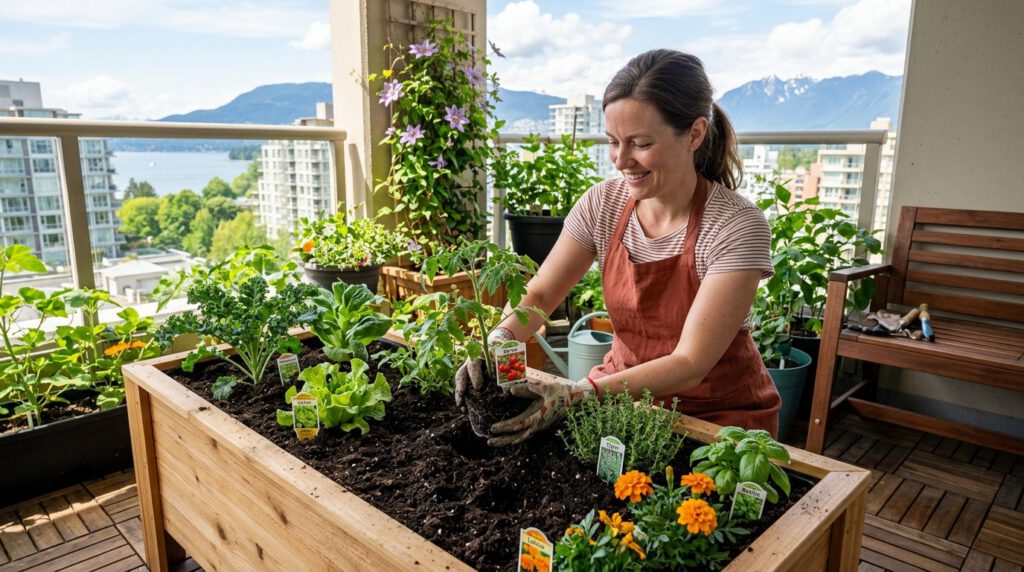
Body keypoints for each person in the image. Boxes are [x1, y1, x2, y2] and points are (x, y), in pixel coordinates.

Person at [456, 49, 781, 446]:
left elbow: (690, 363)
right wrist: (499, 338)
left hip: (715, 416)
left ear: (694, 134)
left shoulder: (735, 225)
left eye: (641, 143)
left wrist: (582, 393)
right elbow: (541, 293)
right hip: (617, 394)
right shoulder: (603, 204)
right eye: (613, 142)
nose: (621, 160)